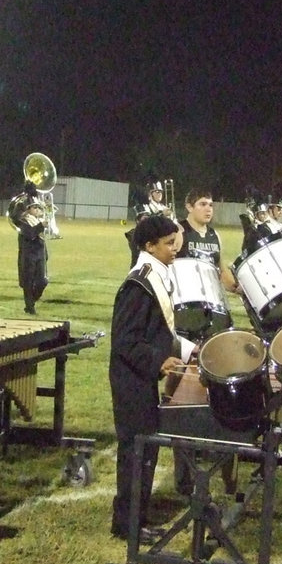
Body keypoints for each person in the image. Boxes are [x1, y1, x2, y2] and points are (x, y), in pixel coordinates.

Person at [110, 214, 196, 542]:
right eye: (168, 243)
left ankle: (136, 516)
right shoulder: (139, 283)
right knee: (136, 451)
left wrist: (190, 350)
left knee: (145, 450)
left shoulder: (156, 275)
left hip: (140, 375)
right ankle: (128, 524)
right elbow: (126, 341)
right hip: (130, 378)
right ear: (150, 246)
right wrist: (159, 362)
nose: (175, 248)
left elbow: (160, 331)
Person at [177, 188, 238, 296]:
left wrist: (236, 288)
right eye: (203, 204)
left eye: (210, 205)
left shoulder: (215, 235)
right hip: (185, 298)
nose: (208, 209)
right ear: (189, 207)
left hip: (211, 299)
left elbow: (222, 271)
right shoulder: (178, 232)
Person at [14, 185, 49, 314]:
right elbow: (30, 234)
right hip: (28, 254)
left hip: (39, 252)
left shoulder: (40, 219)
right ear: (28, 209)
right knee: (28, 282)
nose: (37, 209)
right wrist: (41, 226)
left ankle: (31, 301)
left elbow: (46, 235)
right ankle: (29, 307)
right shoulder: (24, 220)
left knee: (42, 281)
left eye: (38, 207)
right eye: (34, 207)